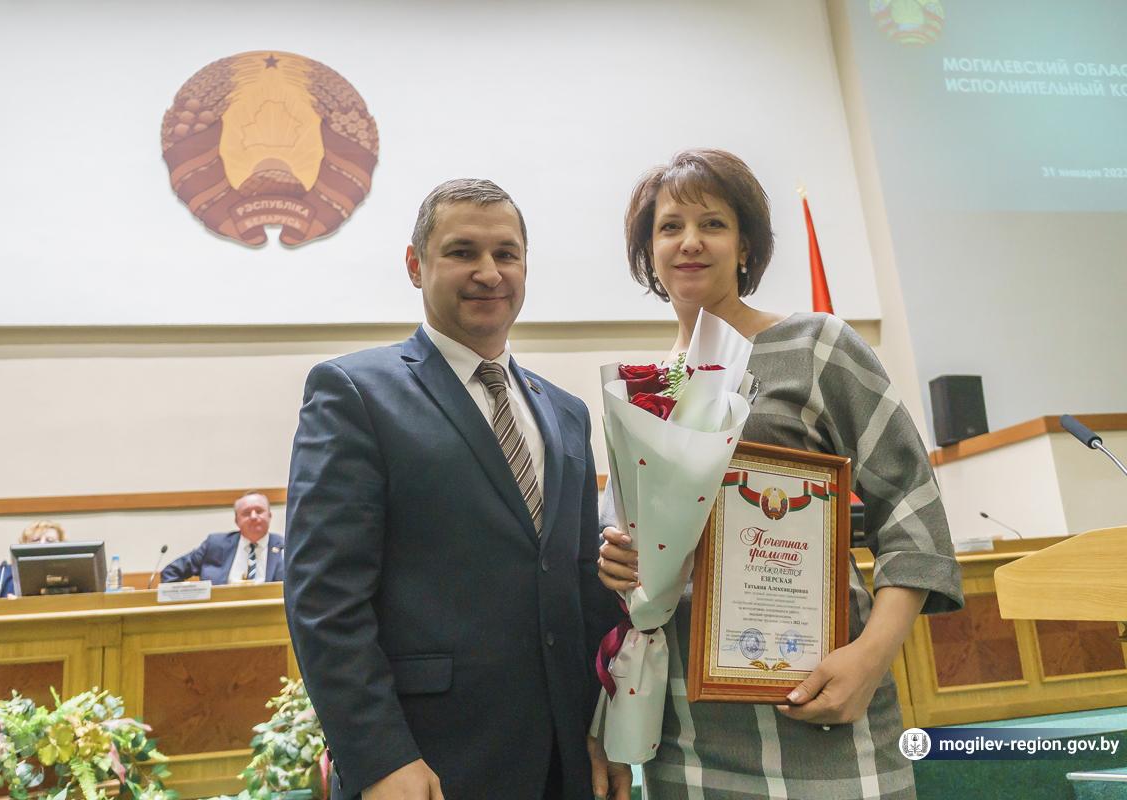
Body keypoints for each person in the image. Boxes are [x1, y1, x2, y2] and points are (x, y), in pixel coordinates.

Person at [596, 149, 963, 800]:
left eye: (713, 224)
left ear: (745, 247)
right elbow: (636, 550)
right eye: (670, 226)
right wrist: (618, 562)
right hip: (687, 728)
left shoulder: (817, 346)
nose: (690, 241)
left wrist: (870, 659)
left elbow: (914, 511)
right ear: (648, 251)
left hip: (823, 702)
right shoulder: (642, 391)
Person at [284, 179, 624, 800]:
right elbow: (325, 598)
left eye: (506, 254)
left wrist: (602, 728)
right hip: (427, 762)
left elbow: (580, 587)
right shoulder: (355, 393)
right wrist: (380, 759)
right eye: (463, 252)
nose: (489, 273)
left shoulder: (567, 412)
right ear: (416, 265)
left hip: (563, 760)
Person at [160, 491, 284, 584]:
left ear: (269, 516)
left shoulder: (285, 547)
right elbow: (170, 572)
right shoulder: (215, 545)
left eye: (259, 511)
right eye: (246, 513)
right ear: (236, 520)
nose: (253, 517)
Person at [0, 520, 66, 599]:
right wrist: (10, 606)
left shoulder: (68, 575)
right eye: (35, 540)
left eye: (50, 540)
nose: (42, 544)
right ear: (23, 545)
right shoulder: (5, 573)